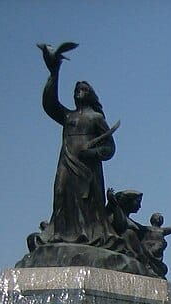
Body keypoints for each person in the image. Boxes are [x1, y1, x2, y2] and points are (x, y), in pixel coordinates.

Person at [39, 46, 117, 247]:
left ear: (90, 94)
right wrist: (53, 74)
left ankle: (88, 236)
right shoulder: (68, 116)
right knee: (61, 192)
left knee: (87, 201)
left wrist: (92, 153)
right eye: (76, 90)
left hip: (87, 167)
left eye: (83, 90)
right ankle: (60, 233)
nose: (78, 93)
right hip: (67, 161)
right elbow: (49, 104)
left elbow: (110, 147)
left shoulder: (96, 118)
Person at [141, 212, 171, 277]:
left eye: (161, 218)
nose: (160, 220)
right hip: (149, 249)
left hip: (158, 251)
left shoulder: (162, 230)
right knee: (149, 262)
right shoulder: (147, 229)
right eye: (159, 218)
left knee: (159, 266)